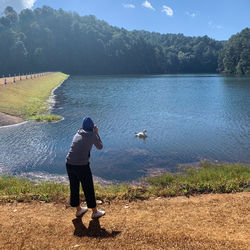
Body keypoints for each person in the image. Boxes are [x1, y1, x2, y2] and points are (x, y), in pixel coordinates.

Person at [66, 117, 105, 219]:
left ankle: (79, 210)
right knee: (88, 188)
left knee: (74, 187)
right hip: (82, 166)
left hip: (69, 163)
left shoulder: (78, 133)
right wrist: (96, 133)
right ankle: (95, 212)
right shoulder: (92, 135)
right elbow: (100, 146)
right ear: (92, 127)